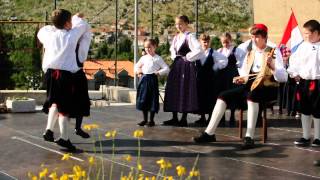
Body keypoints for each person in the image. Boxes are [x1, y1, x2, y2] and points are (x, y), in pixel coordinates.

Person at [193, 24, 288, 149]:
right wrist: (241, 78)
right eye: (252, 37)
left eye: (257, 37)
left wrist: (273, 67)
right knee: (223, 96)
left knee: (252, 95)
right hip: (249, 85)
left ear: (265, 37)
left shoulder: (273, 51)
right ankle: (209, 133)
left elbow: (283, 77)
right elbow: (245, 72)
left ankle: (249, 137)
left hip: (267, 87)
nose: (253, 40)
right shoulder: (251, 52)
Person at [38, 9, 90, 151]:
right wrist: (77, 18)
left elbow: (43, 30)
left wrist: (60, 23)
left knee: (55, 102)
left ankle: (49, 130)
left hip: (49, 74)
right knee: (64, 108)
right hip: (64, 76)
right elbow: (83, 26)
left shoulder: (49, 36)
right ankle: (64, 138)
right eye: (70, 22)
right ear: (67, 23)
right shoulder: (71, 36)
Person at [162, 15, 204, 127]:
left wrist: (189, 57)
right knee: (173, 89)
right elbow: (172, 50)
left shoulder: (190, 36)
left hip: (185, 66)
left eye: (180, 23)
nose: (178, 26)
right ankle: (174, 117)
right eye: (176, 24)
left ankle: (184, 118)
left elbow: (199, 50)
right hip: (176, 65)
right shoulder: (176, 37)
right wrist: (174, 57)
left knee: (184, 89)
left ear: (186, 24)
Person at [287, 20, 320, 148]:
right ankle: (306, 136)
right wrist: (294, 73)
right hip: (304, 82)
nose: (305, 36)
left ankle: (318, 137)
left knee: (318, 110)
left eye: (308, 33)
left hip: (318, 82)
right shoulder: (303, 46)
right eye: (304, 33)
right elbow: (294, 61)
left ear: (317, 33)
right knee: (304, 109)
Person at [135, 38, 169, 127]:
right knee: (143, 99)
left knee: (152, 100)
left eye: (149, 47)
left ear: (155, 47)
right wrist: (138, 71)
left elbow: (166, 68)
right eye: (146, 47)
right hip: (143, 79)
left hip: (152, 79)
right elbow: (136, 66)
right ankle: (144, 119)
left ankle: (151, 120)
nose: (147, 49)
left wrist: (158, 72)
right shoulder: (143, 58)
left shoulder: (158, 58)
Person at [195, 34, 227, 126]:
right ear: (200, 42)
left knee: (210, 98)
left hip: (210, 79)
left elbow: (224, 60)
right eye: (204, 41)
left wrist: (215, 67)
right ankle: (202, 117)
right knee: (200, 97)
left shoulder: (213, 52)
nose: (206, 43)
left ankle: (210, 117)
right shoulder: (197, 53)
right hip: (200, 78)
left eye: (207, 41)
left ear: (210, 42)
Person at [70, 13, 92, 139]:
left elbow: (84, 28)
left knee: (81, 103)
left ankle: (77, 128)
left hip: (77, 75)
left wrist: (76, 18)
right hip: (68, 77)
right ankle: (64, 134)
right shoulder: (68, 42)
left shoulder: (80, 45)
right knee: (64, 105)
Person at [217, 32, 242, 126]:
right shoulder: (219, 51)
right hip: (222, 75)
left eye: (227, 41)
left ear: (230, 40)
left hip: (232, 74)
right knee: (221, 93)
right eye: (223, 42)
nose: (225, 44)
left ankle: (232, 115)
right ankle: (222, 116)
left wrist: (238, 67)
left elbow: (242, 61)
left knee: (232, 94)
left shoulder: (236, 50)